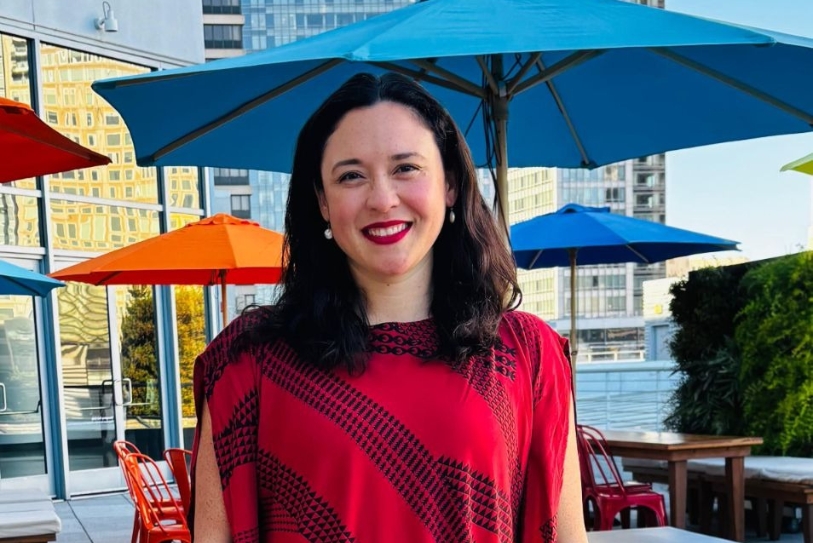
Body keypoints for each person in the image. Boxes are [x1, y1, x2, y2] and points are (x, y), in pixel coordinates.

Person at [190, 72, 587, 543]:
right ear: (321, 200)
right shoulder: (249, 361)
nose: (382, 199)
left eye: (406, 168)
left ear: (451, 185)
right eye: (351, 176)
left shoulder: (528, 353)